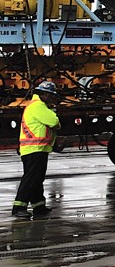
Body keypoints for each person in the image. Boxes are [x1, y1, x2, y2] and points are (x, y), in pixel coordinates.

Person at [12, 80, 62, 219]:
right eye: (51, 95)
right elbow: (54, 122)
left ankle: (38, 206)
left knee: (36, 178)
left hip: (37, 149)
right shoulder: (38, 107)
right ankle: (18, 207)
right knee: (31, 178)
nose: (52, 98)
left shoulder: (37, 106)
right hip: (34, 149)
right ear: (44, 94)